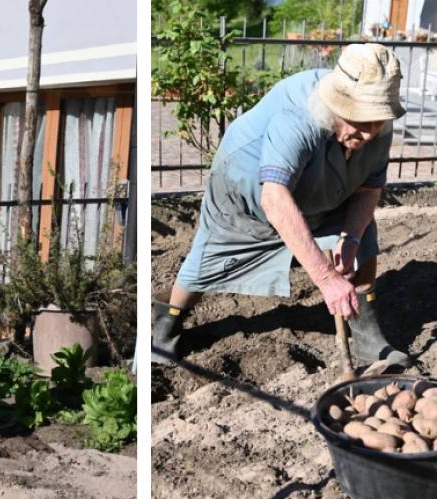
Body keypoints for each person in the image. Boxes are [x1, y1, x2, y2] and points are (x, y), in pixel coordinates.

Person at [152, 43, 410, 369]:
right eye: (359, 120)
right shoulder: (298, 118)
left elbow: (368, 189)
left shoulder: (378, 125)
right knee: (210, 260)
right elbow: (274, 199)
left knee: (362, 244)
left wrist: (351, 237)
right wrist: (327, 279)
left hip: (326, 187)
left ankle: (368, 337)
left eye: (376, 121)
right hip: (246, 192)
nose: (368, 133)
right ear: (337, 102)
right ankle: (167, 327)